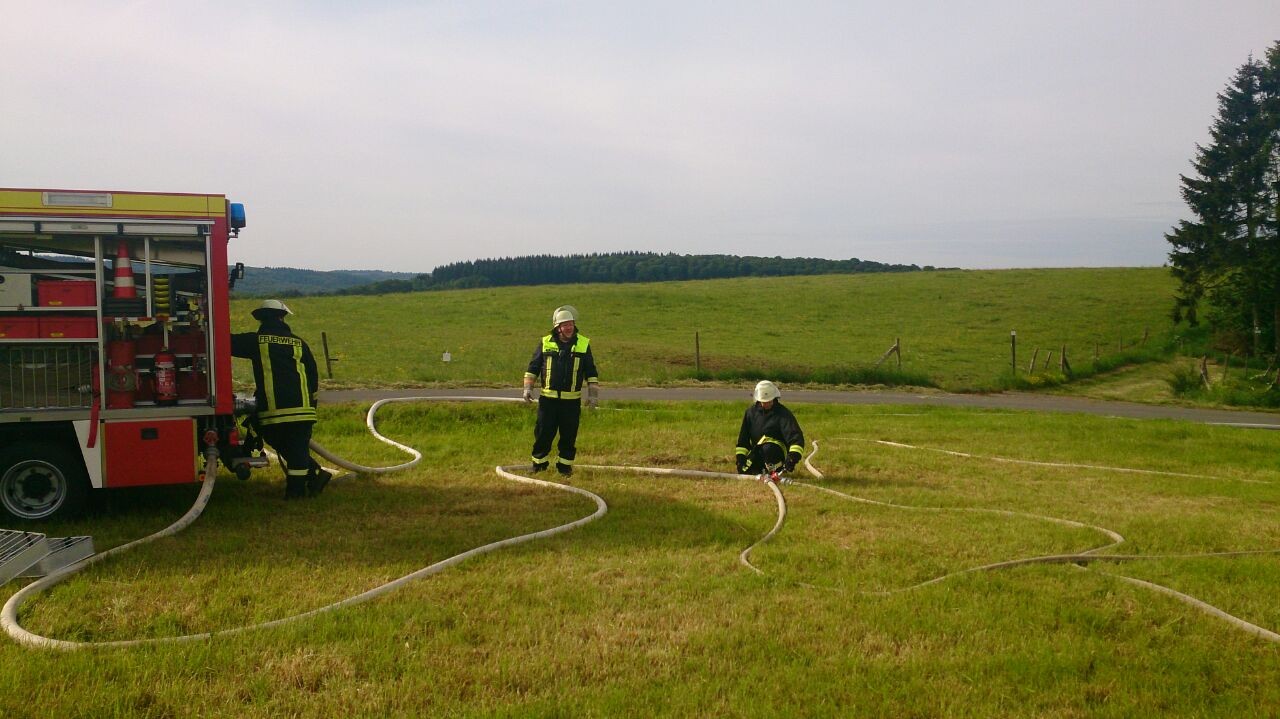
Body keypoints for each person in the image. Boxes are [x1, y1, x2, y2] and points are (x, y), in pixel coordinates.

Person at [230, 299, 331, 499]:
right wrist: (312, 405)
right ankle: (314, 476)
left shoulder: (257, 341)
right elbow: (312, 376)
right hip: (303, 410)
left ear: (262, 319)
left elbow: (226, 343)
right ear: (282, 317)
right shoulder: (299, 343)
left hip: (274, 411)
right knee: (297, 450)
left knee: (286, 446)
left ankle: (296, 493)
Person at [522, 305, 599, 476]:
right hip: (548, 401)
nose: (569, 327)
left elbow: (591, 373)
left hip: (571, 402)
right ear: (558, 327)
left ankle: (564, 468)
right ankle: (539, 466)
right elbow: (533, 368)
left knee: (568, 437)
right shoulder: (545, 342)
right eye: (565, 325)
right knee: (543, 434)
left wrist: (593, 396)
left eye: (571, 324)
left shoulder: (583, 344)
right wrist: (527, 388)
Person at [735, 380, 806, 476]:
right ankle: (758, 470)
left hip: (775, 453)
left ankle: (773, 471)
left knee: (768, 448)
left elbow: (796, 438)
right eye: (763, 401)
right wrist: (740, 458)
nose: (766, 404)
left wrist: (792, 458)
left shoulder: (783, 414)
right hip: (758, 451)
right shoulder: (750, 413)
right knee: (744, 470)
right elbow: (743, 440)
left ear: (774, 398)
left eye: (769, 401)